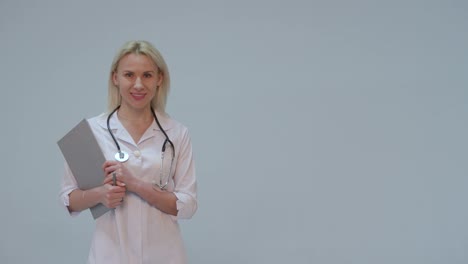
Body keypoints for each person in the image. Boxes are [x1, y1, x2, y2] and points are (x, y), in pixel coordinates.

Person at [59, 40, 197, 264]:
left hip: (165, 255)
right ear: (115, 78)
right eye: (129, 75)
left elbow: (188, 205)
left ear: (159, 79)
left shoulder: (177, 133)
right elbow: (69, 199)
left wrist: (136, 184)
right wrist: (100, 195)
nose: (139, 85)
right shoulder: (90, 132)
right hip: (110, 255)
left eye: (148, 75)